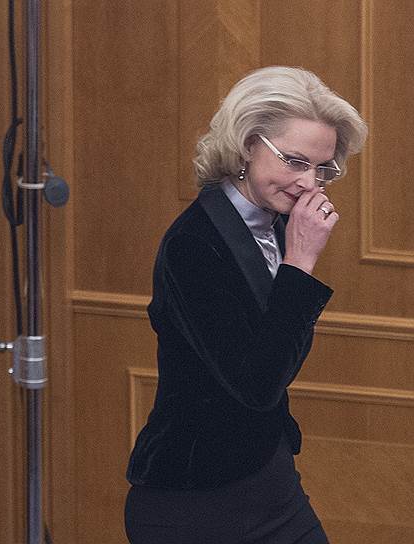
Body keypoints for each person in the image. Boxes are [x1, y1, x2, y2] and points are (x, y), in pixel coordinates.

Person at [124, 66, 367, 543]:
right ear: (247, 145)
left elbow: (280, 354)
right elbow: (256, 384)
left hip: (269, 482)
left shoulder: (279, 224)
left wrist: (294, 259)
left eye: (323, 169)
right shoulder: (194, 244)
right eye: (295, 162)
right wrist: (300, 263)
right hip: (194, 501)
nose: (310, 183)